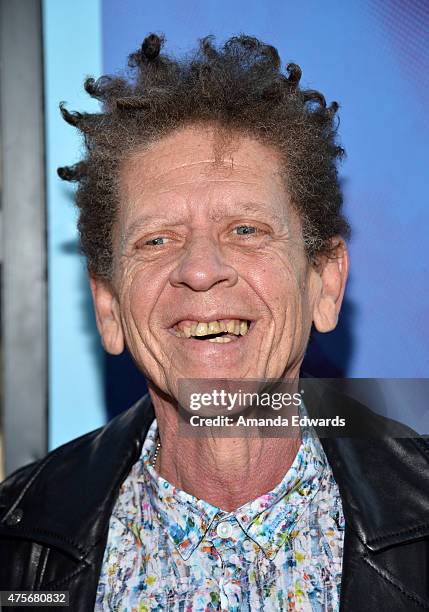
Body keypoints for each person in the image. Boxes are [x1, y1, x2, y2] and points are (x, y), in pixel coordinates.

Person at [1, 34, 428, 612]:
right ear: (108, 306)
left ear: (324, 283)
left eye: (246, 230)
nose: (200, 271)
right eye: (157, 239)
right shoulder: (15, 545)